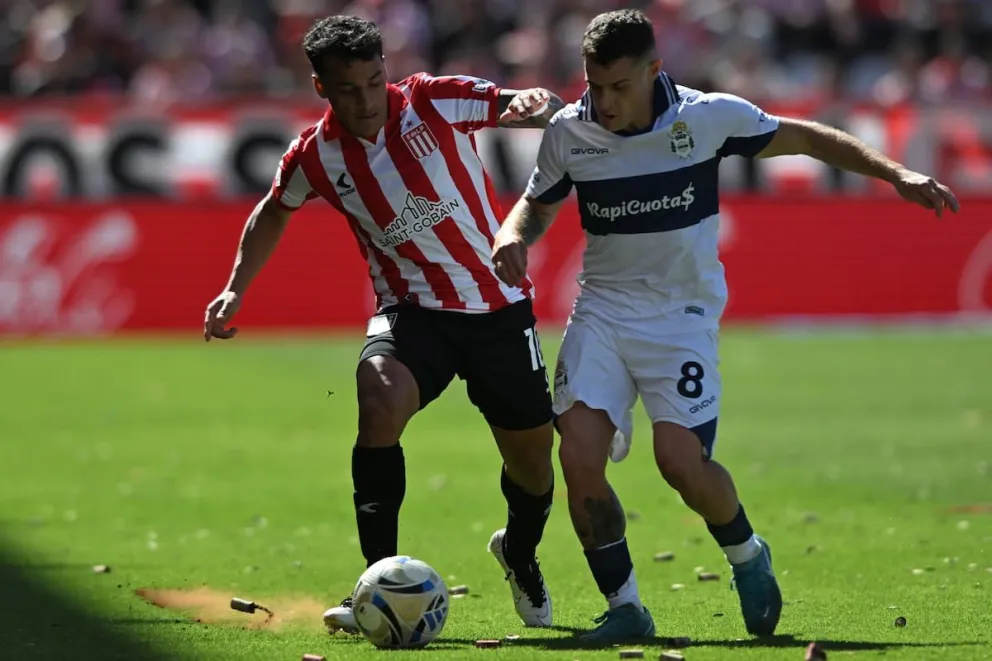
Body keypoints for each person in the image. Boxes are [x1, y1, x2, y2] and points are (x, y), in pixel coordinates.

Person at [491, 8, 959, 644]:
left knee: (680, 462)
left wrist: (896, 173)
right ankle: (625, 607)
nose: (604, 101)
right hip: (602, 309)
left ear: (654, 70)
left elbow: (808, 138)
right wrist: (512, 235)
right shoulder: (571, 131)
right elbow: (535, 205)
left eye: (619, 86)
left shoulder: (707, 117)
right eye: (595, 86)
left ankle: (746, 553)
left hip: (680, 318)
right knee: (577, 456)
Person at [203, 15, 567, 632]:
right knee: (377, 398)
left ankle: (519, 551)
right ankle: (374, 584)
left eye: (375, 82)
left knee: (533, 462)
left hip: (497, 307)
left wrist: (536, 102)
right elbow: (273, 210)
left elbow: (524, 105)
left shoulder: (432, 99)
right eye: (349, 89)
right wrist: (236, 286)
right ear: (321, 87)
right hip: (412, 310)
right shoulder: (315, 155)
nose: (367, 99)